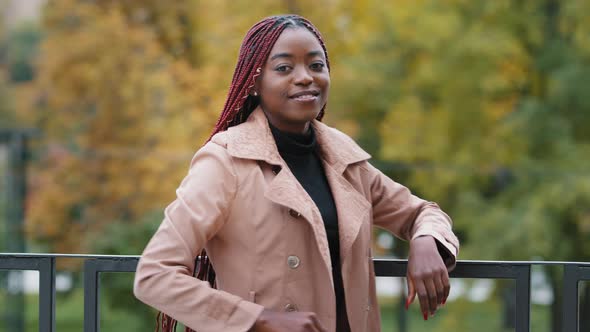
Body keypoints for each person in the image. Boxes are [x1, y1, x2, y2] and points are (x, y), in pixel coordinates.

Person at [133, 14, 459, 332]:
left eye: (316, 65)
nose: (305, 77)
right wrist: (259, 319)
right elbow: (154, 275)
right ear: (255, 83)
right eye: (284, 68)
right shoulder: (225, 161)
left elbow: (422, 212)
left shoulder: (345, 160)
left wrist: (426, 239)